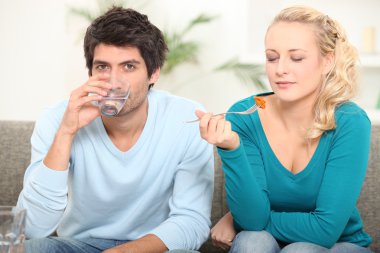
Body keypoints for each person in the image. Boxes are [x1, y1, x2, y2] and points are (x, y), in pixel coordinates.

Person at [17, 6, 214, 253]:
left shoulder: (187, 118)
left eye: (128, 67)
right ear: (90, 71)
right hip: (78, 245)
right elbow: (32, 228)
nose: (113, 82)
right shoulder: (56, 119)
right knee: (31, 249)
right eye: (103, 67)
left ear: (153, 73)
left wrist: (122, 252)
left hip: (151, 247)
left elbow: (192, 222)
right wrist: (66, 133)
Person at [196, 5, 373, 253]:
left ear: (327, 61)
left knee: (298, 250)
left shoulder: (350, 122)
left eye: (297, 58)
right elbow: (252, 222)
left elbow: (325, 229)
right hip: (267, 240)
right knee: (250, 242)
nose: (280, 69)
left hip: (340, 245)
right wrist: (230, 148)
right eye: (272, 57)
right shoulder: (246, 116)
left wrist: (237, 219)